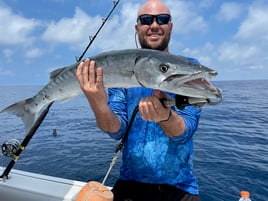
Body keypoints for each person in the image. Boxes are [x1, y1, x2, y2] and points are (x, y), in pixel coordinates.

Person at [76, 0, 201, 201]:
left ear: (170, 26)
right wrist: (98, 104)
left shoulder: (187, 68)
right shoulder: (120, 74)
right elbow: (117, 131)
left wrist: (165, 117)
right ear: (137, 27)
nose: (154, 25)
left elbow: (186, 131)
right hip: (129, 185)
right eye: (146, 20)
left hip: (179, 188)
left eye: (162, 19)